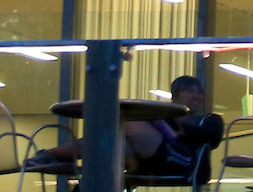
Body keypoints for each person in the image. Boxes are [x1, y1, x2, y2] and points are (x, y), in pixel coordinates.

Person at [24, 74, 225, 181]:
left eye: (199, 92)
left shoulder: (210, 120)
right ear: (175, 97)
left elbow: (211, 138)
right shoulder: (166, 117)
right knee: (118, 139)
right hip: (150, 160)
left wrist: (176, 128)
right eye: (189, 92)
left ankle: (51, 156)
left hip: (185, 164)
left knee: (127, 124)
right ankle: (66, 167)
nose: (196, 95)